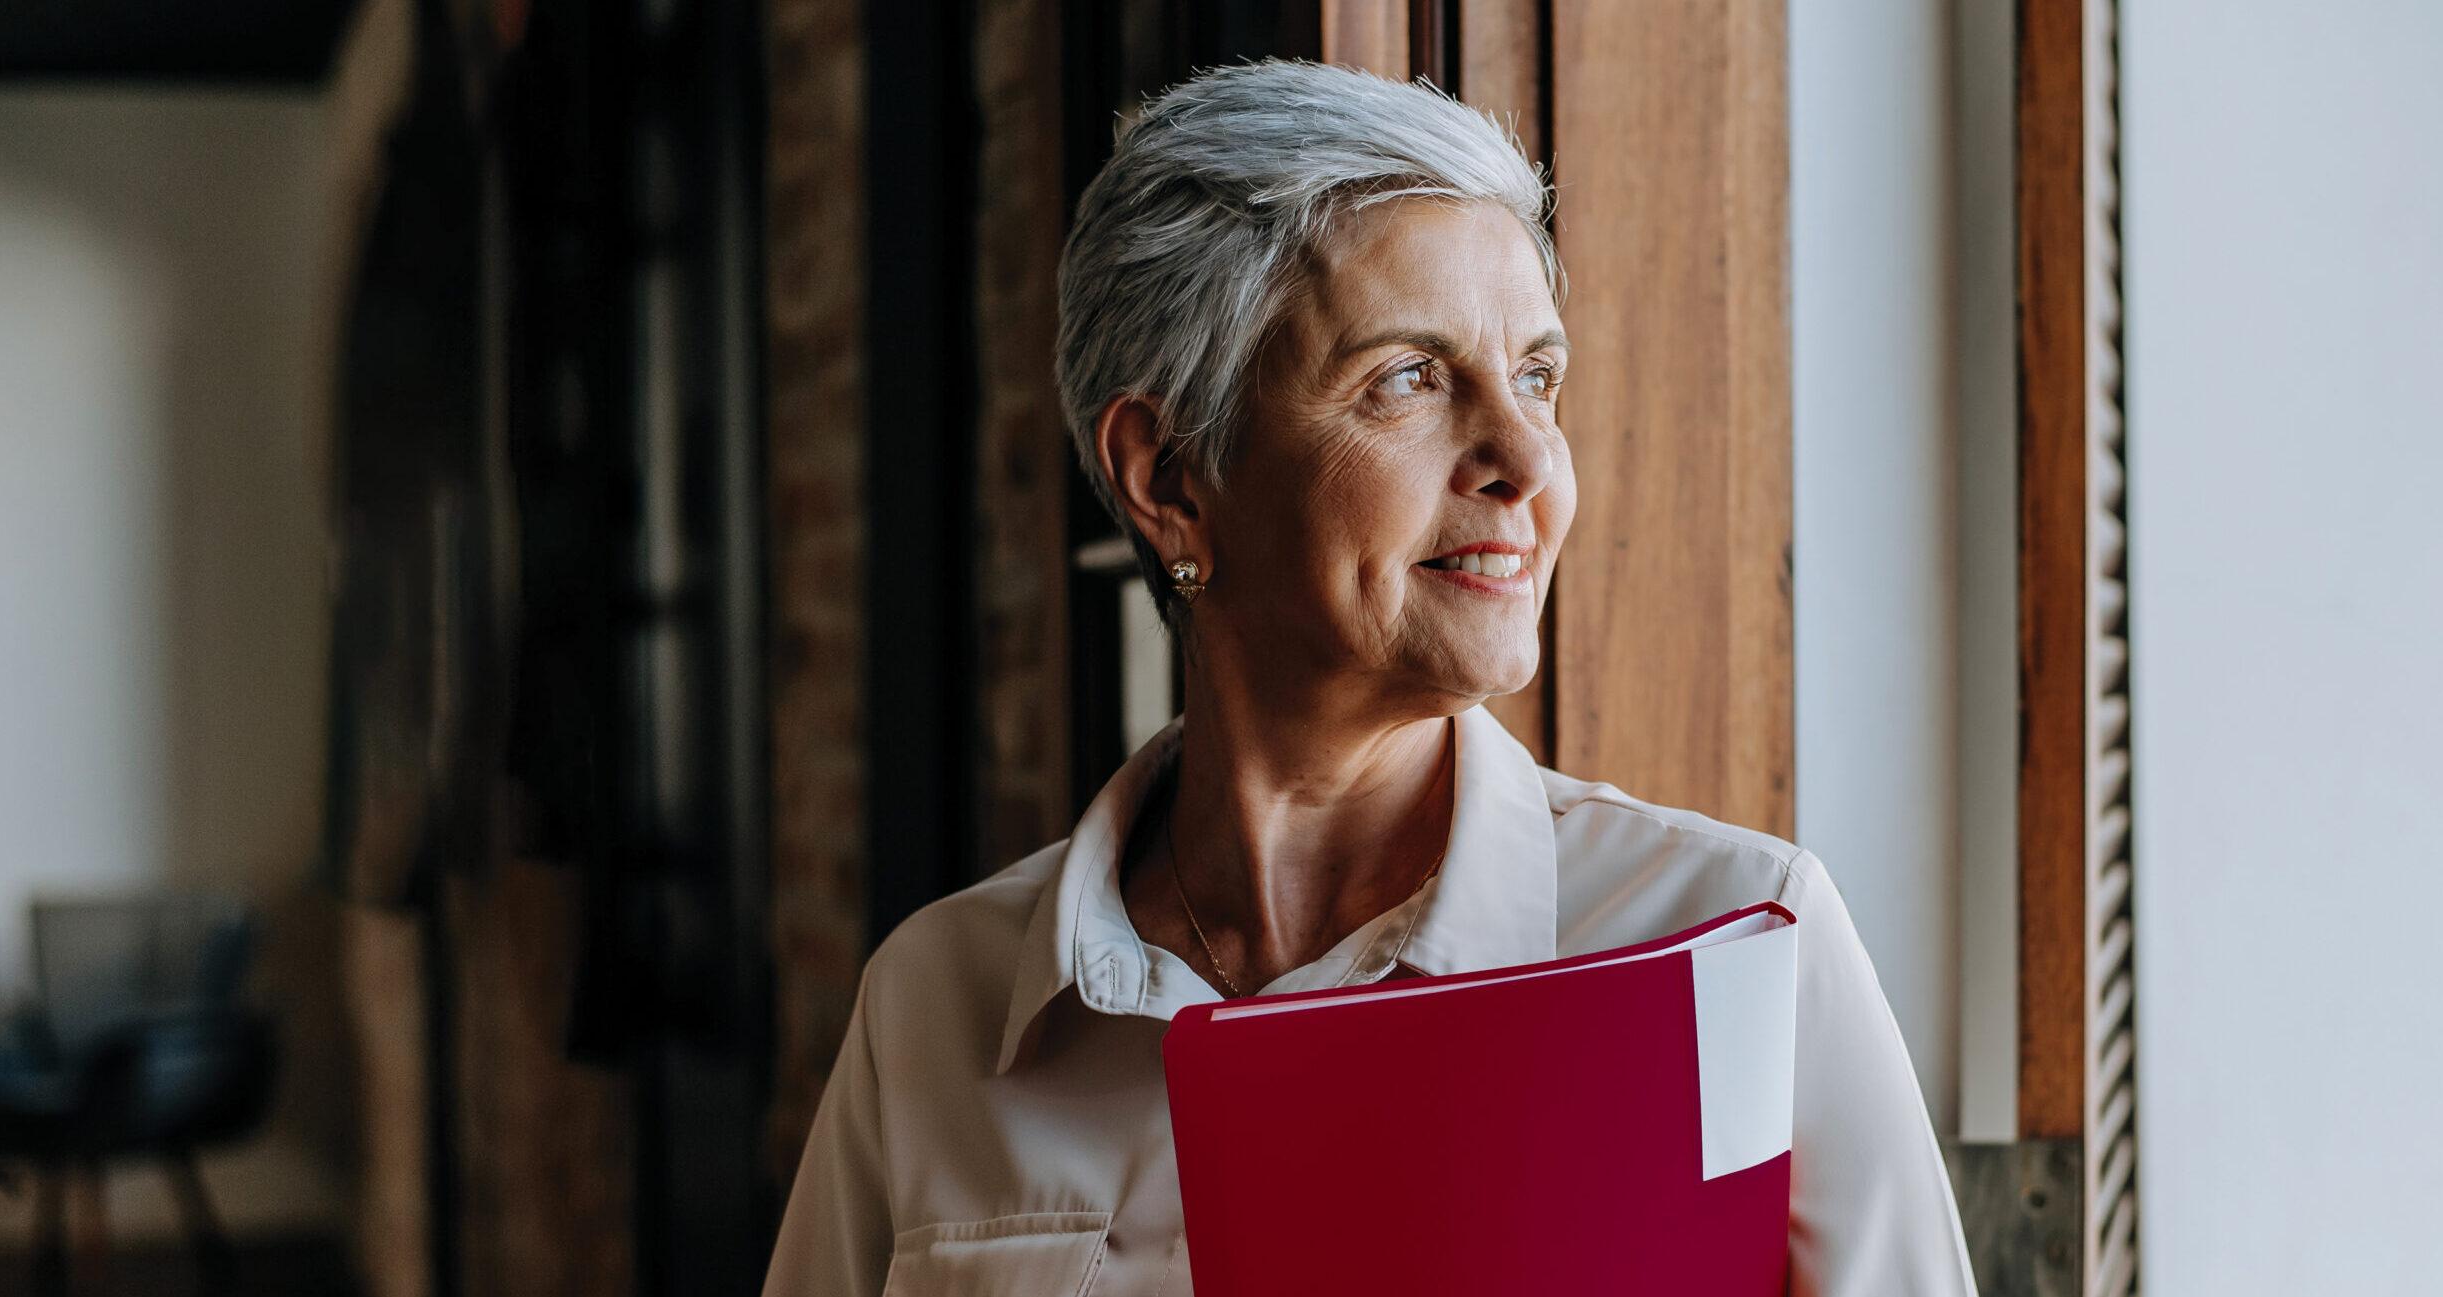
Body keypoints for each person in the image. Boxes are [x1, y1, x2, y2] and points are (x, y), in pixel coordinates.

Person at [764, 57, 1977, 1296]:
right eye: (1408, 378)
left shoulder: (1735, 941)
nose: (1525, 459)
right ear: (1171, 478)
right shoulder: (933, 1009)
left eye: (1539, 376)